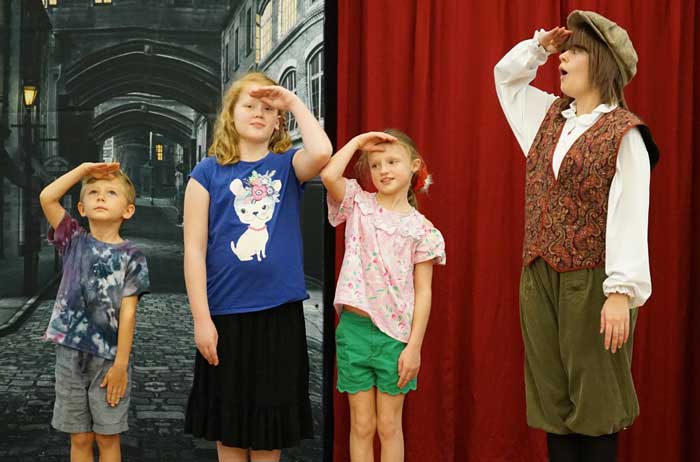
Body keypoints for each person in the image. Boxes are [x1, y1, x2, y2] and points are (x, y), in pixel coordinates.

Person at [494, 10, 659, 462]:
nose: (562, 58)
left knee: (596, 405)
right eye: (562, 52)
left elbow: (630, 214)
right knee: (553, 404)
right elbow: (506, 79)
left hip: (593, 281)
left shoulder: (624, 132)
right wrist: (538, 48)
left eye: (574, 51)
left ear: (601, 62)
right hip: (538, 275)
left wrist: (620, 292)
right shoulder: (548, 117)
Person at [183, 72, 332, 462]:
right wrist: (201, 319)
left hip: (278, 315)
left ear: (279, 120)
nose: (258, 113)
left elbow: (321, 153)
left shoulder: (287, 165)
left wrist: (293, 102)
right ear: (230, 115)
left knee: (268, 435)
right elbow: (194, 250)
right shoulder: (207, 173)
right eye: (248, 105)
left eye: (267, 108)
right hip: (225, 315)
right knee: (230, 432)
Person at [321, 129, 446, 461]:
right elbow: (329, 175)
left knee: (389, 425)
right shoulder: (359, 204)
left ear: (414, 166)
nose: (383, 170)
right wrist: (357, 143)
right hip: (354, 330)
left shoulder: (423, 230)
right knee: (361, 425)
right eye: (375, 165)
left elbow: (424, 292)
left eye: (392, 162)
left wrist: (414, 347)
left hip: (396, 338)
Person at [39, 162, 150, 462]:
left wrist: (121, 365)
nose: (101, 196)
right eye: (93, 192)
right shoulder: (73, 240)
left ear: (128, 210)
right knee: (80, 437)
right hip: (69, 353)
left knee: (107, 436)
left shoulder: (132, 256)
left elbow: (128, 314)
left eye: (111, 192)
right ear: (81, 208)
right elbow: (47, 197)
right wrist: (83, 170)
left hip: (108, 359)